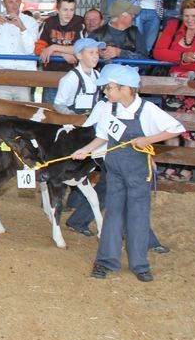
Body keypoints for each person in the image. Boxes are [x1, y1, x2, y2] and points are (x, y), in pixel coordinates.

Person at [72, 64, 185, 282]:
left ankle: (140, 264)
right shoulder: (108, 108)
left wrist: (148, 140)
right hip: (115, 171)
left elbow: (176, 128)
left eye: (109, 88)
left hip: (137, 172)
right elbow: (103, 135)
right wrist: (85, 150)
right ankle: (105, 261)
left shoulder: (147, 110)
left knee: (138, 216)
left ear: (126, 88)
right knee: (113, 214)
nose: (105, 92)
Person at [152, 0, 195, 182]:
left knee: (192, 128)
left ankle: (187, 167)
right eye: (187, 15)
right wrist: (183, 57)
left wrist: (177, 61)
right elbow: (158, 52)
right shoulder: (173, 27)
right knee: (170, 125)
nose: (190, 20)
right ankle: (171, 165)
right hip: (173, 85)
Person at [0, 0, 39, 101]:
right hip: (0, 77)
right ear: (3, 3)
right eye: (11, 2)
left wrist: (22, 28)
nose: (15, 5)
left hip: (23, 77)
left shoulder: (30, 22)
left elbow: (29, 49)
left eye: (17, 1)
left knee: (23, 115)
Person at [34, 0, 85, 103]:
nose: (68, 13)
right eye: (65, 9)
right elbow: (39, 50)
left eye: (72, 10)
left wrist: (53, 47)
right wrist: (62, 54)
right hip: (51, 75)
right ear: (57, 10)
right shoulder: (48, 23)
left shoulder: (80, 23)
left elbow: (80, 49)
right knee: (50, 112)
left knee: (70, 111)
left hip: (73, 75)